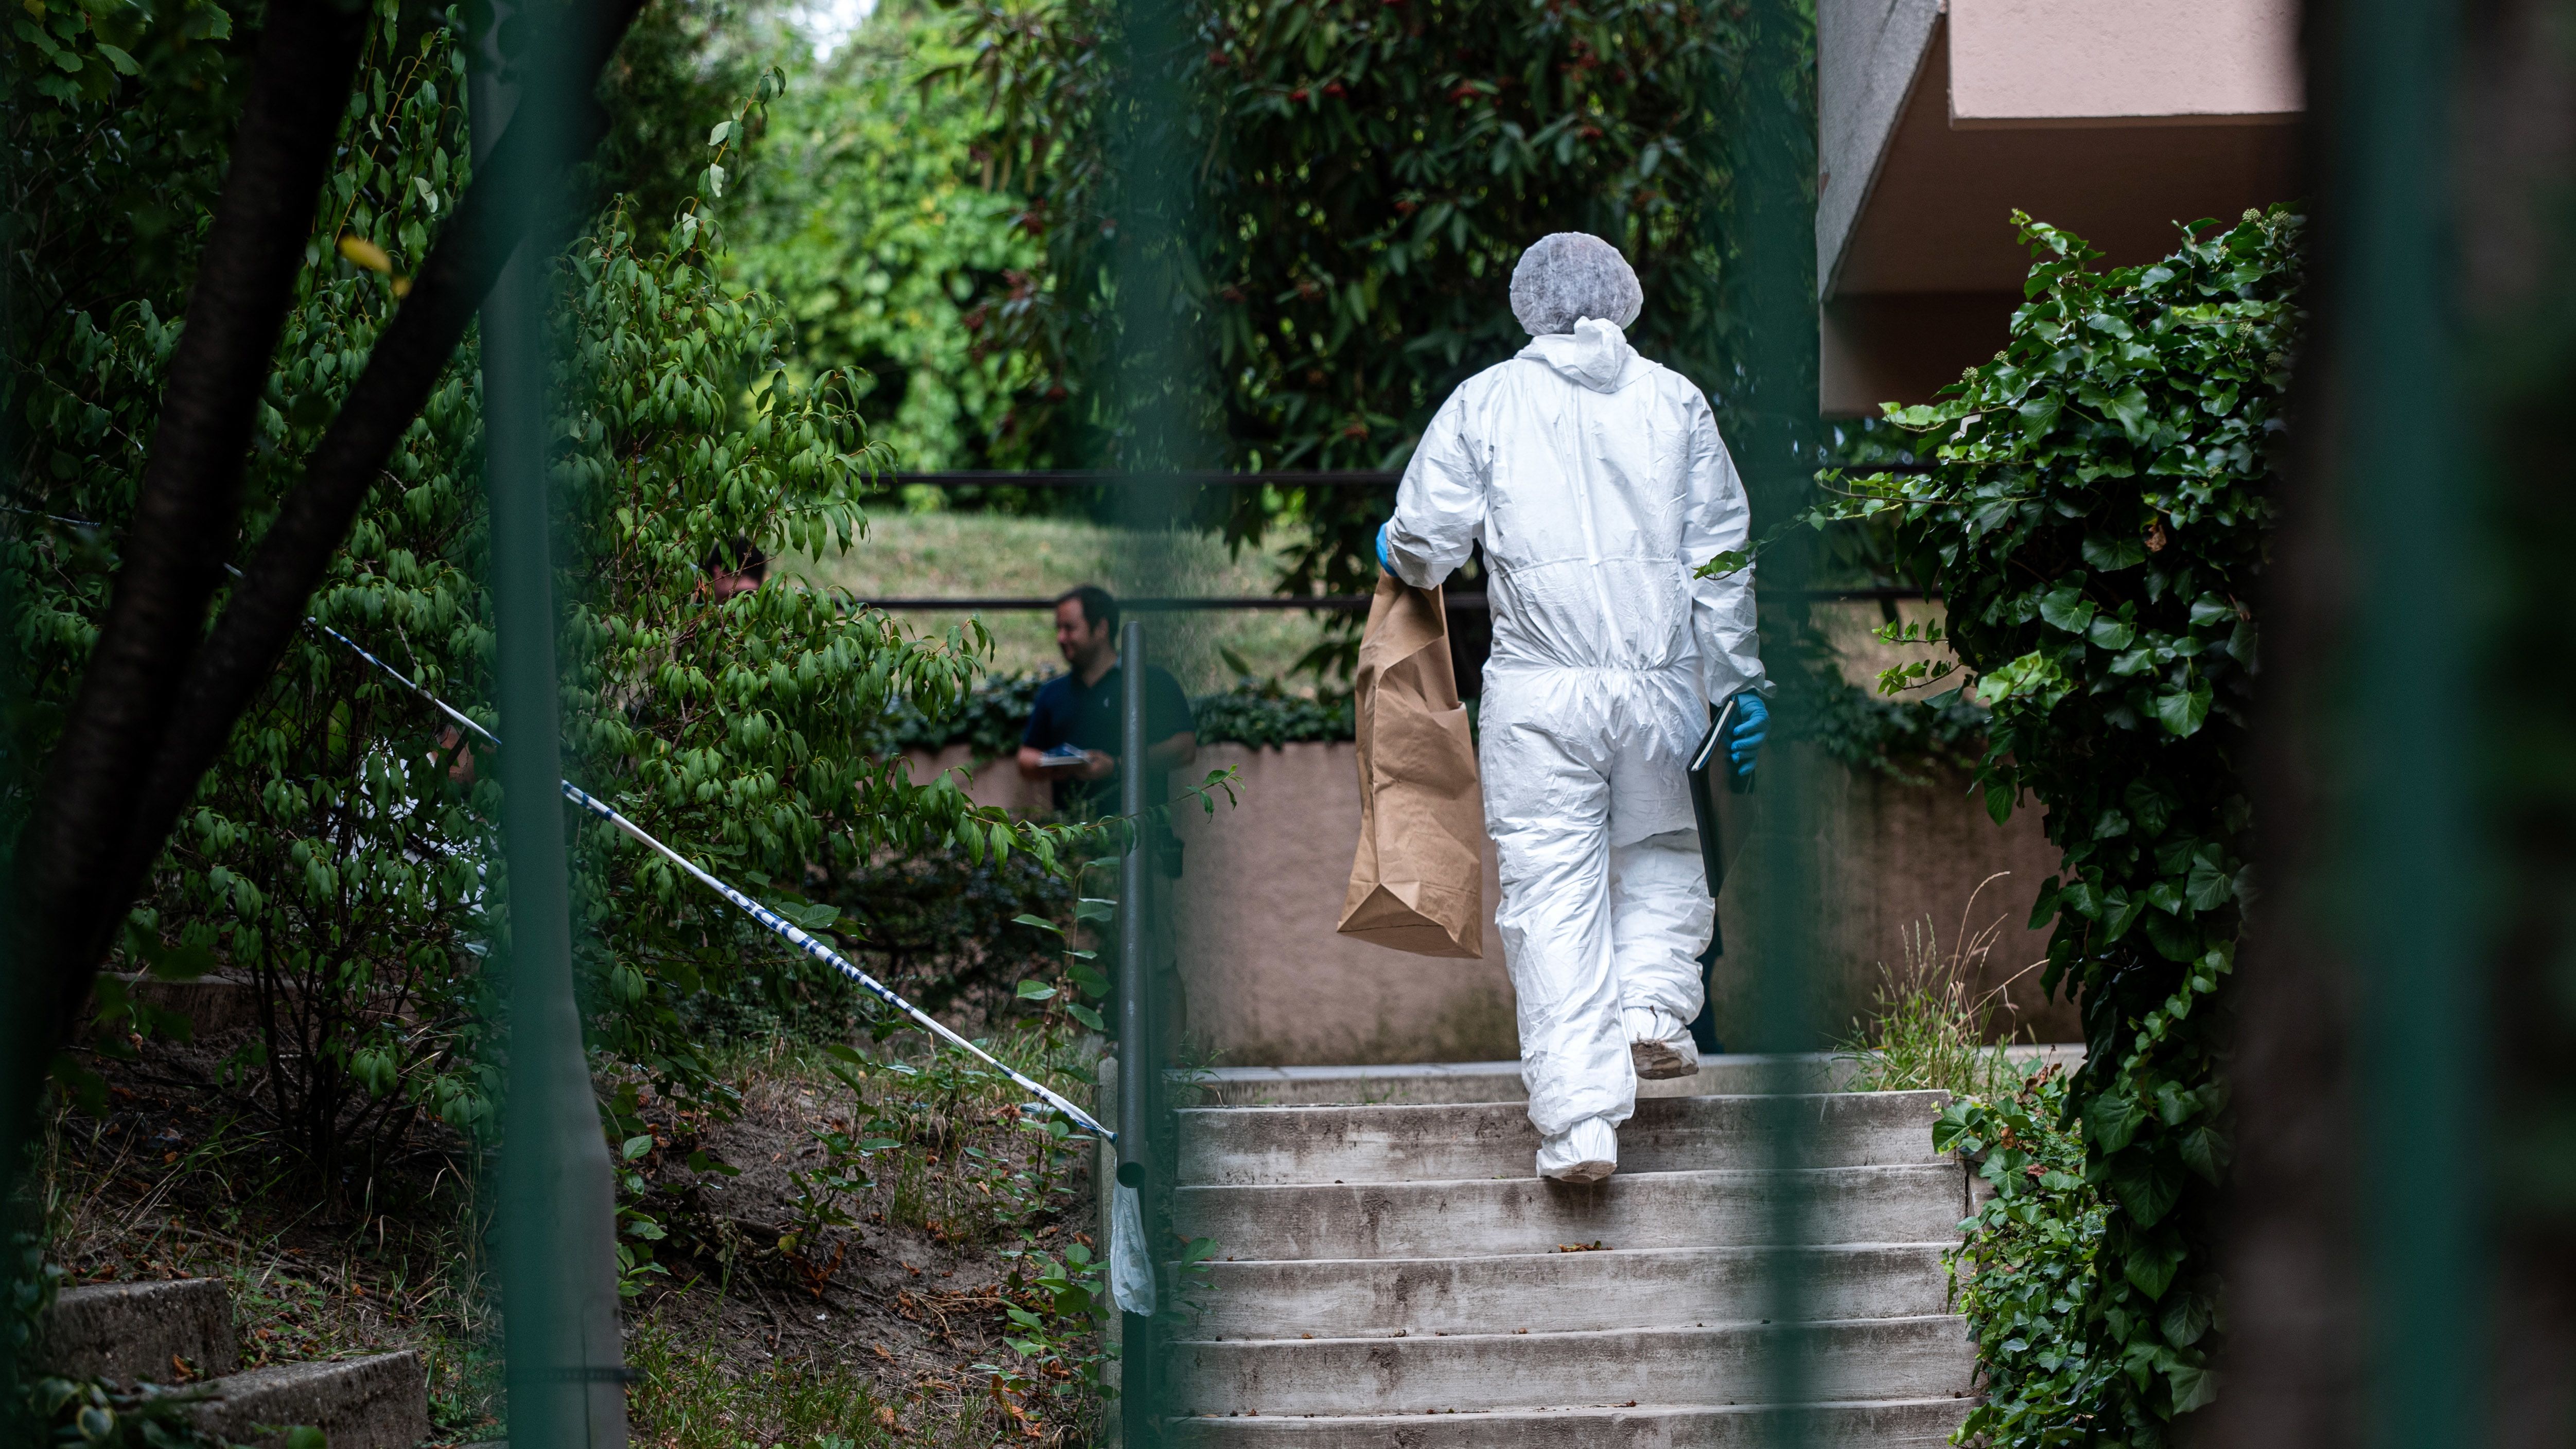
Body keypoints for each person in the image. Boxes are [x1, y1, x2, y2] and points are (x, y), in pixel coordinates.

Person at [1377, 232, 1773, 1184]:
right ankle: (1650, 1011)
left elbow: (1425, 545)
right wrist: (1740, 682)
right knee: (1668, 855)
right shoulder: (1675, 401)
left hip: (1538, 692)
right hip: (1663, 682)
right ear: (1622, 299)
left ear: (1531, 305)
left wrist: (1393, 544)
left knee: (1552, 897)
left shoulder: (1485, 402)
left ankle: (1581, 1126)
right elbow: (1720, 557)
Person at [1017, 586, 1198, 816]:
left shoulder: (1150, 682)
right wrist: (1051, 764)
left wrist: (1117, 766)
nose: (1060, 638)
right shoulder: (1052, 692)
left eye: (1070, 628)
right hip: (1071, 839)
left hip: (1141, 835)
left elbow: (1184, 749)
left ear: (1101, 628)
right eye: (1059, 629)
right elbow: (1025, 758)